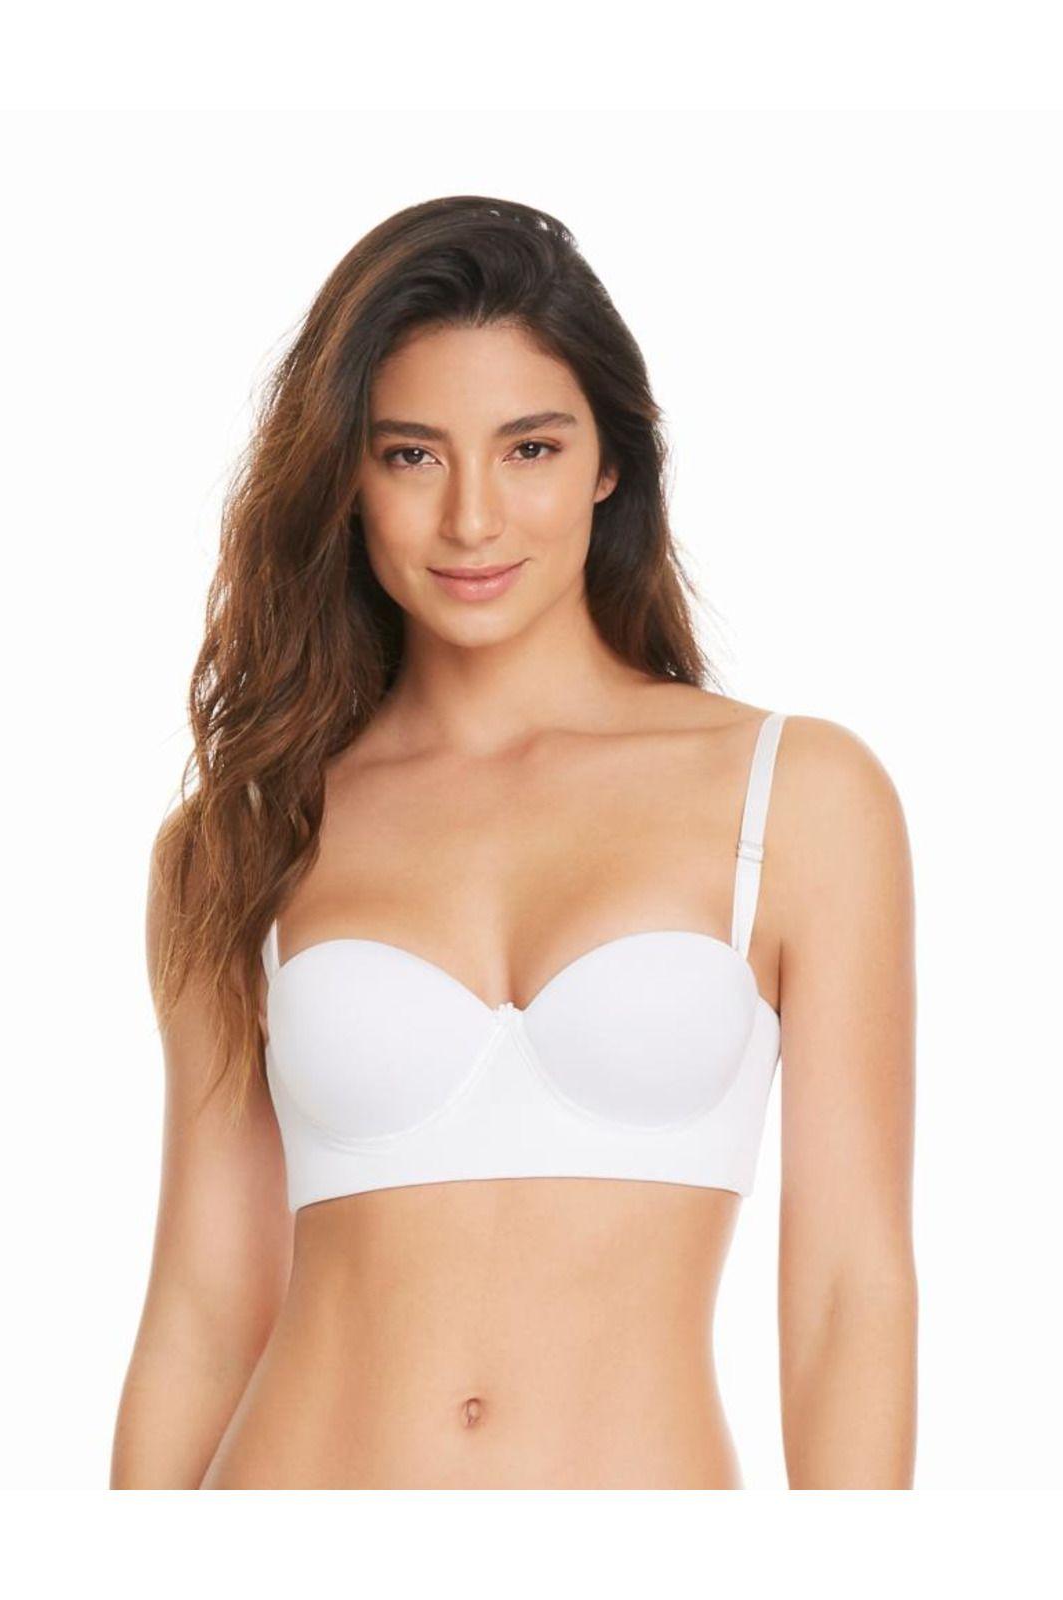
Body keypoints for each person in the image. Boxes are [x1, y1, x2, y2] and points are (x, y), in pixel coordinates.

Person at [110, 195, 918, 1490]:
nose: (474, 520)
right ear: (347, 478)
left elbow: (848, 1293)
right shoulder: (244, 835)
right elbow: (204, 1308)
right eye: (411, 455)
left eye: (530, 447)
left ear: (611, 463)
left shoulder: (798, 797)